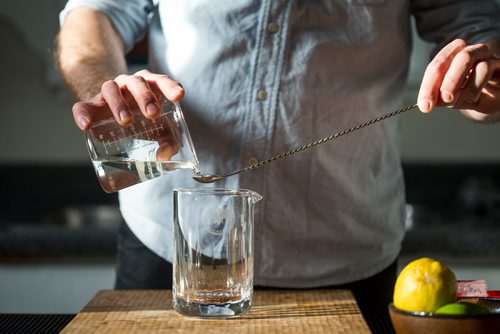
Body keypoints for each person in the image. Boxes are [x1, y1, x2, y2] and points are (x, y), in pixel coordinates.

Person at [55, 0, 500, 319]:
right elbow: (95, 11)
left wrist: (486, 73)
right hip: (167, 246)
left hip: (343, 252)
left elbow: (479, 31)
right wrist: (104, 82)